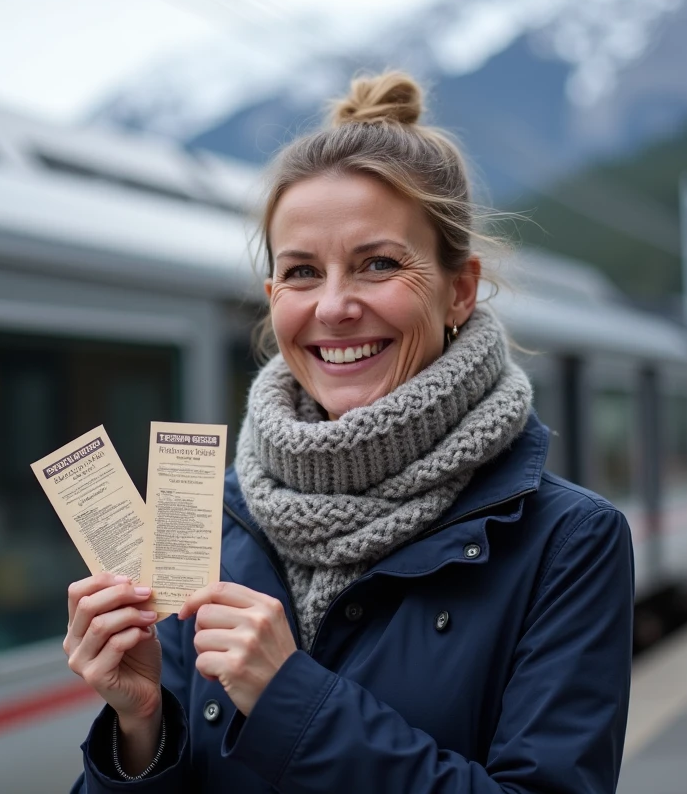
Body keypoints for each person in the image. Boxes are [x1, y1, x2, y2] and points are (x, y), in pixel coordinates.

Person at [65, 70, 634, 793]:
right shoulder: (206, 522)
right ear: (274, 300)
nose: (333, 307)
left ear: (461, 288)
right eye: (302, 272)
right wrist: (140, 729)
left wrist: (294, 701)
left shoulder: (568, 543)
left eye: (378, 265)